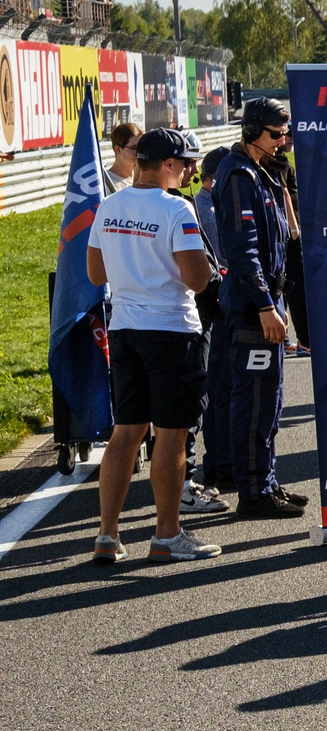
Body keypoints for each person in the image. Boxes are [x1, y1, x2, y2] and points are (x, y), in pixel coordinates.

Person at [89, 128, 220, 565]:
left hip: (124, 328)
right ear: (167, 164)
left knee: (126, 432)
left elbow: (95, 274)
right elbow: (197, 279)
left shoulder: (109, 205)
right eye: (185, 164)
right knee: (171, 433)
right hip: (171, 331)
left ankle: (107, 535)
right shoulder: (176, 208)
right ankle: (167, 535)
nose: (189, 171)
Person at [215, 98, 302, 520]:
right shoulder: (237, 175)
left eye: (285, 134)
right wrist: (266, 305)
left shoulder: (263, 171)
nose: (282, 141)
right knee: (253, 401)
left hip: (270, 299)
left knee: (271, 400)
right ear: (252, 132)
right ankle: (252, 493)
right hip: (254, 306)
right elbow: (243, 250)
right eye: (274, 134)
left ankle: (266, 482)